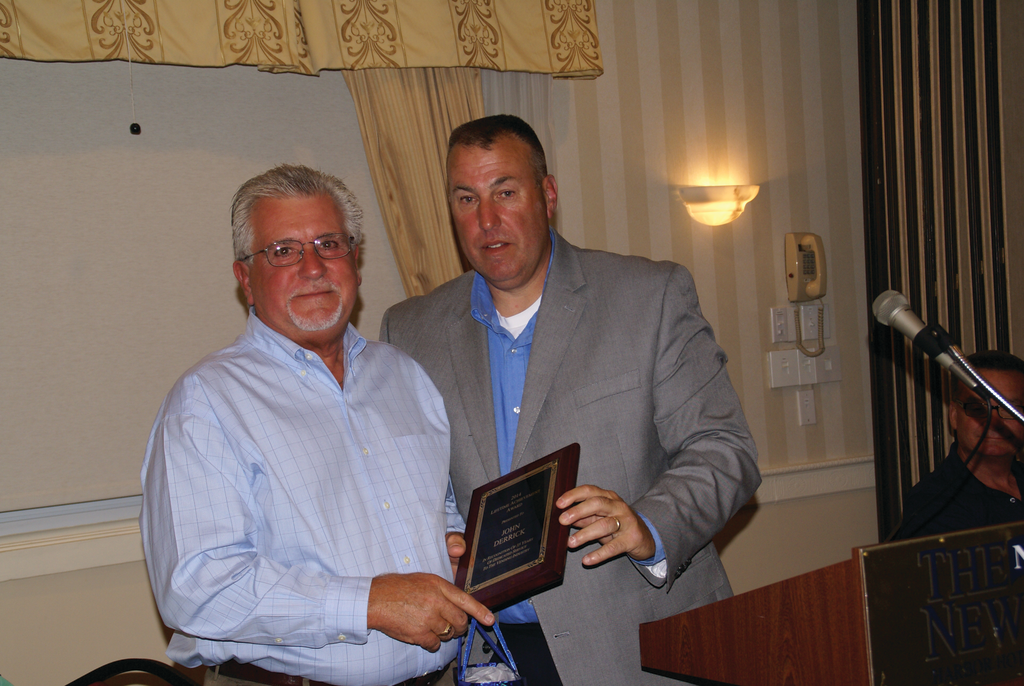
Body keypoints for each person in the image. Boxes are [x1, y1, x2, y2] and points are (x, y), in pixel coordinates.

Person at [379, 115, 761, 686]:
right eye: (467, 199)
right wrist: (437, 541)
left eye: (506, 192)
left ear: (548, 195)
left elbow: (725, 449)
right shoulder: (410, 331)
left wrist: (649, 524)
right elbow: (414, 487)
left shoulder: (648, 296)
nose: (487, 220)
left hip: (639, 644)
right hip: (493, 657)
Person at [140, 164, 493, 686]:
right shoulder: (206, 403)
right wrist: (369, 602)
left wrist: (452, 541)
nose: (312, 267)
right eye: (283, 250)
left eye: (329, 244)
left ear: (355, 261)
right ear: (246, 279)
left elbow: (436, 505)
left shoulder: (405, 375)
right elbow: (199, 588)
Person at [895, 350, 1024, 540]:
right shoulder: (934, 502)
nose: (994, 421)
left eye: (1009, 409)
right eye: (979, 408)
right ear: (954, 416)